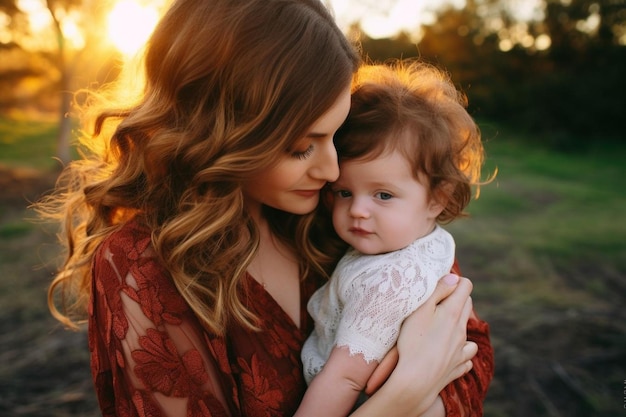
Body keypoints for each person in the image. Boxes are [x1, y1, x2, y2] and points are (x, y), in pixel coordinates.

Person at [36, 0, 493, 416]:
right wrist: (401, 398)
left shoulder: (333, 217)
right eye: (301, 147)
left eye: (333, 136)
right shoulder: (143, 268)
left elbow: (470, 349)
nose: (333, 172)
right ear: (222, 134)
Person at [298, 60, 494, 416]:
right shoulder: (424, 241)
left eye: (383, 195)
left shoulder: (388, 282)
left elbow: (346, 379)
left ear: (438, 198)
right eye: (344, 193)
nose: (357, 210)